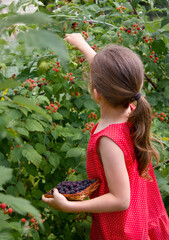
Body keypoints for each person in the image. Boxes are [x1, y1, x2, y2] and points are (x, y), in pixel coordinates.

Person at [42, 33, 169, 239]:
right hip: (138, 214)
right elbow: (112, 76)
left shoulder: (109, 141)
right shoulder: (129, 109)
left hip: (121, 229)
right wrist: (83, 46)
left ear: (96, 93)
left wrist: (69, 207)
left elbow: (121, 200)